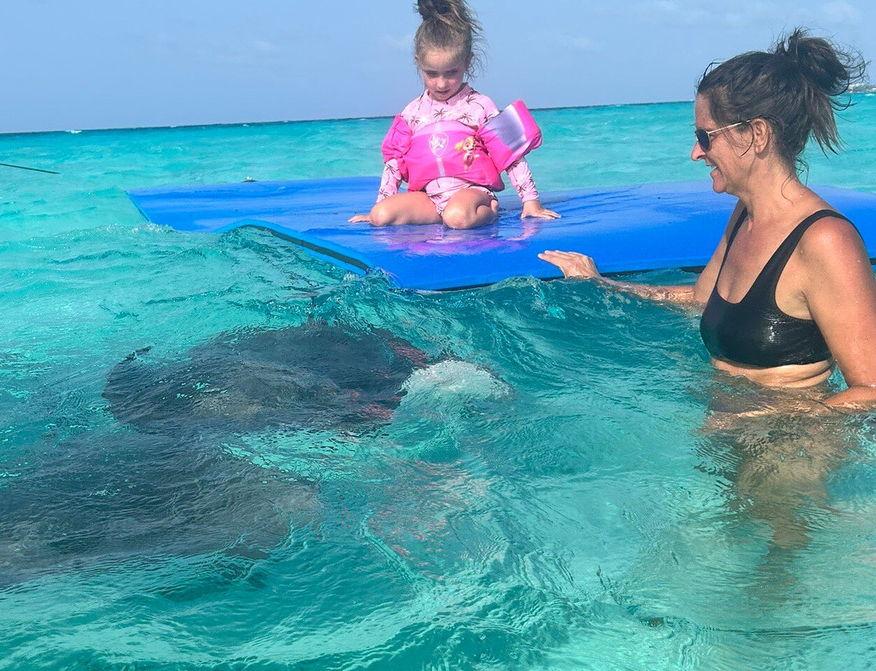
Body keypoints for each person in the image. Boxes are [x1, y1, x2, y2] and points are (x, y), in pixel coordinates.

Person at [539, 29, 876, 412]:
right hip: (732, 431)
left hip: (791, 449)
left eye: (705, 135)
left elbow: (870, 388)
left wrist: (768, 421)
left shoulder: (824, 240)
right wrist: (602, 283)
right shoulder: (745, 215)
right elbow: (699, 300)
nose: (696, 152)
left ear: (756, 134)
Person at [349, 0, 558, 230]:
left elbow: (511, 155)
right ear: (418, 63)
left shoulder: (479, 106)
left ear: (467, 62)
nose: (441, 83)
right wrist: (381, 202)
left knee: (456, 216)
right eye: (431, 73)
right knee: (380, 215)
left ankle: (489, 210)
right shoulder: (412, 113)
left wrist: (531, 201)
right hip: (428, 199)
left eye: (451, 73)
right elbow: (393, 164)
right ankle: (441, 214)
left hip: (471, 194)